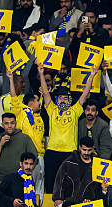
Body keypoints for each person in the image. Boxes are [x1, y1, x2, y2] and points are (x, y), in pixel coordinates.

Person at [38, 63, 96, 194]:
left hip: (70, 152)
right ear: (57, 99)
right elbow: (46, 93)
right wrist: (41, 73)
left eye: (65, 98)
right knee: (51, 184)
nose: (63, 100)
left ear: (69, 99)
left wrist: (92, 76)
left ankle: (68, 206)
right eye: (60, 98)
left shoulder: (75, 110)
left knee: (68, 185)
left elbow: (84, 94)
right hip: (52, 151)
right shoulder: (52, 109)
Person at [53, 137, 110, 207]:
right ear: (79, 147)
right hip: (69, 204)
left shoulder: (98, 165)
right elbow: (59, 181)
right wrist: (58, 198)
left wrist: (103, 190)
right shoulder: (69, 163)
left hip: (89, 206)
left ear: (93, 149)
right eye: (84, 150)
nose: (86, 153)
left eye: (89, 150)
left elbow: (100, 190)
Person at [0, 113, 38, 182]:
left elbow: (34, 157)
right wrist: (0, 144)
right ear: (2, 125)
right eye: (6, 123)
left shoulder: (25, 138)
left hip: (20, 178)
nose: (9, 126)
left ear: (16, 124)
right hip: (1, 178)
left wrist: (26, 173)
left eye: (12, 123)